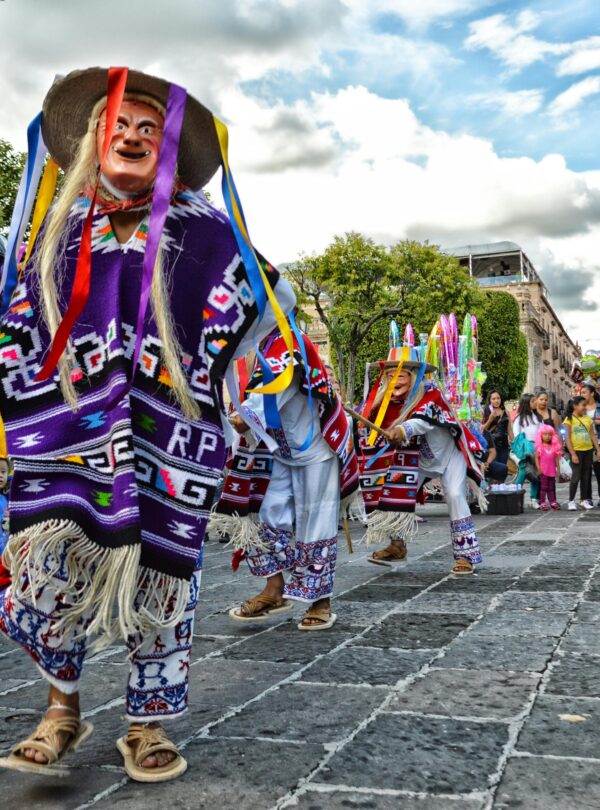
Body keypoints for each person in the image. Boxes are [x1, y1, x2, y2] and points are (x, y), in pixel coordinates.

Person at [0, 67, 295, 781]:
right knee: (50, 570)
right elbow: (17, 323)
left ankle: (146, 722)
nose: (131, 136)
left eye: (147, 130)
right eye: (117, 126)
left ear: (165, 154)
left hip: (171, 437)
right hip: (67, 437)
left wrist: (221, 373)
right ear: (91, 142)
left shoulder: (207, 231)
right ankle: (61, 709)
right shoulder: (57, 232)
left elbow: (265, 298)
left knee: (164, 581)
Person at [212, 325, 359, 630]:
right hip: (282, 452)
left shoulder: (291, 344)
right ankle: (274, 589)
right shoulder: (263, 346)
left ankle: (321, 601)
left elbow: (268, 399)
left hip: (316, 452)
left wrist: (237, 420)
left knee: (314, 521)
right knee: (266, 518)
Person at [362, 360, 486, 576]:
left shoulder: (431, 395)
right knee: (392, 493)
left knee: (456, 495)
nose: (394, 380)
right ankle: (397, 545)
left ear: (413, 377)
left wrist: (401, 430)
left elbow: (422, 421)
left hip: (448, 456)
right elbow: (363, 418)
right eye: (390, 376)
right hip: (415, 459)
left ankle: (465, 554)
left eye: (400, 375)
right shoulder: (385, 402)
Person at [563, 396, 600, 510]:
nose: (585, 408)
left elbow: (592, 435)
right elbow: (567, 438)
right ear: (575, 406)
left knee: (585, 476)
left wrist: (598, 449)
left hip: (588, 450)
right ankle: (571, 501)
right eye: (583, 405)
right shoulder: (568, 419)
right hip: (577, 451)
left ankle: (584, 500)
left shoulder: (588, 419)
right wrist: (573, 453)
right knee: (576, 476)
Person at [512, 393, 542, 509]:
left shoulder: (538, 417)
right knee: (523, 473)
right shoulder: (519, 418)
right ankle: (516, 497)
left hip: (537, 449)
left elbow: (542, 431)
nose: (536, 403)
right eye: (533, 401)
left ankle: (534, 499)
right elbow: (517, 435)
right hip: (525, 451)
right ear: (526, 403)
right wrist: (523, 448)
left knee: (535, 475)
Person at [534, 425, 562, 511]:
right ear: (541, 436)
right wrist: (539, 468)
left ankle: (552, 502)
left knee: (551, 488)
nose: (547, 436)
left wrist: (558, 469)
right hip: (543, 471)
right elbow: (536, 458)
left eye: (549, 434)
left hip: (551, 470)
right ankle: (542, 502)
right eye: (545, 434)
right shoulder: (540, 447)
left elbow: (556, 459)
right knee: (543, 487)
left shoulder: (554, 447)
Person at [581, 383, 600, 504]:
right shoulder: (579, 408)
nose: (582, 395)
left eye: (584, 392)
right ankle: (587, 498)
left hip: (598, 441)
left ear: (592, 393)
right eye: (581, 392)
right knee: (585, 472)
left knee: (599, 472)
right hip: (584, 443)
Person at [482, 390, 513, 465]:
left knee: (502, 469)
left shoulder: (506, 411)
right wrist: (490, 420)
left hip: (504, 445)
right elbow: (482, 430)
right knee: (494, 468)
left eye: (498, 398)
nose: (496, 401)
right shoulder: (485, 411)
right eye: (493, 399)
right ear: (490, 400)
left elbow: (509, 430)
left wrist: (514, 443)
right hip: (492, 446)